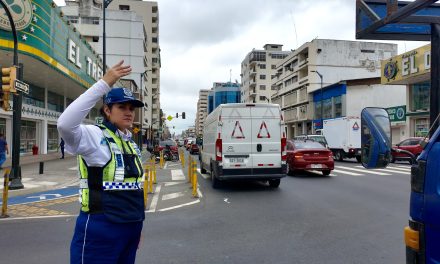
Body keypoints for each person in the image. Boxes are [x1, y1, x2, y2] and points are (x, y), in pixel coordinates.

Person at [57, 61, 145, 264]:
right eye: (121, 107)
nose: (129, 112)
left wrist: (136, 228)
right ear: (107, 110)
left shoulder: (130, 142)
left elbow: (135, 188)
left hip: (130, 228)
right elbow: (65, 123)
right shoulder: (94, 135)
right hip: (100, 229)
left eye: (131, 108)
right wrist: (105, 83)